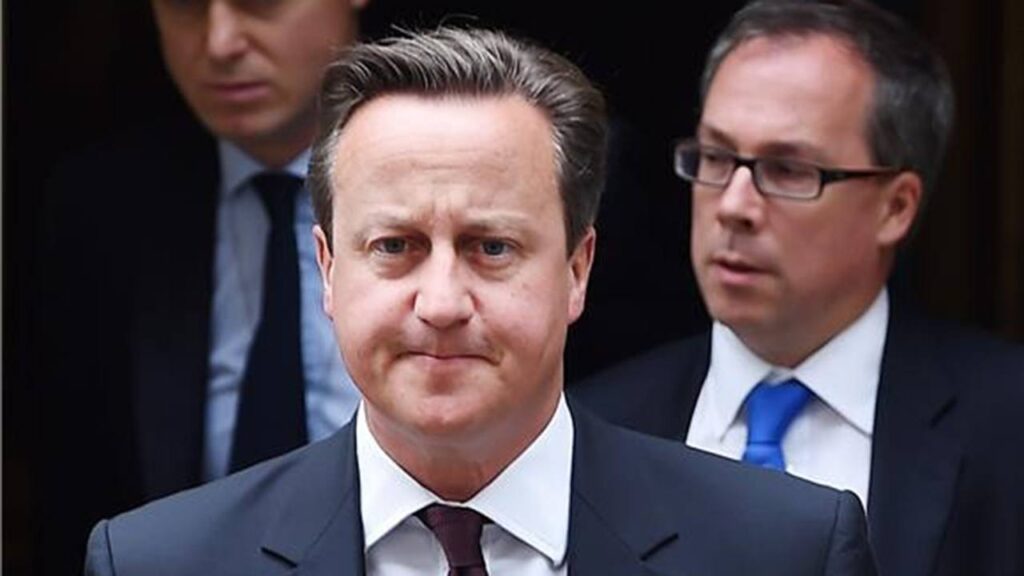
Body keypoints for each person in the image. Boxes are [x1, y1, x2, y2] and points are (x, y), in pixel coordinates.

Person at [84, 27, 876, 576]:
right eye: (394, 246)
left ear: (577, 269)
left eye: (491, 248)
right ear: (327, 270)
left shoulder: (786, 551)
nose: (440, 303)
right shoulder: (160, 562)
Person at [572, 2, 1024, 575]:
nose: (733, 205)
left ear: (896, 207)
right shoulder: (591, 424)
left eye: (788, 171)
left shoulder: (1007, 425)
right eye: (715, 157)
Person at [33, 1, 367, 574]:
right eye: (185, 7)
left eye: (257, 3)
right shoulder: (103, 209)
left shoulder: (468, 180)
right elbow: (74, 488)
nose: (220, 43)